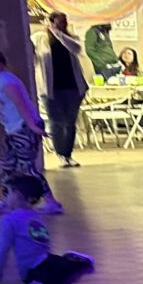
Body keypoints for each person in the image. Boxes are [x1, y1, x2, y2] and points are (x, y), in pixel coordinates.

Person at [0, 172, 94, 284]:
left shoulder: (8, 220)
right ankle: (74, 260)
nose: (4, 197)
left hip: (34, 269)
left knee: (37, 281)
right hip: (50, 260)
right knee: (64, 271)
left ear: (16, 195)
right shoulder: (35, 214)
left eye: (7, 192)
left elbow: (0, 251)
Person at [0, 46, 57, 214]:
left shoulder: (7, 81)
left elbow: (21, 105)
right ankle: (7, 199)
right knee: (7, 165)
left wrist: (33, 126)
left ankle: (51, 201)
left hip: (25, 127)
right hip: (12, 130)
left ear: (0, 65)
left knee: (27, 167)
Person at [42, 12, 86, 168]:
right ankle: (60, 154)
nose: (64, 25)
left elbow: (76, 48)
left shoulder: (72, 39)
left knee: (70, 122)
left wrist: (59, 34)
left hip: (73, 86)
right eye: (60, 22)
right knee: (56, 122)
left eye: (65, 22)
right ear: (51, 22)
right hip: (51, 89)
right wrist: (51, 33)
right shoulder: (42, 40)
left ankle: (68, 154)